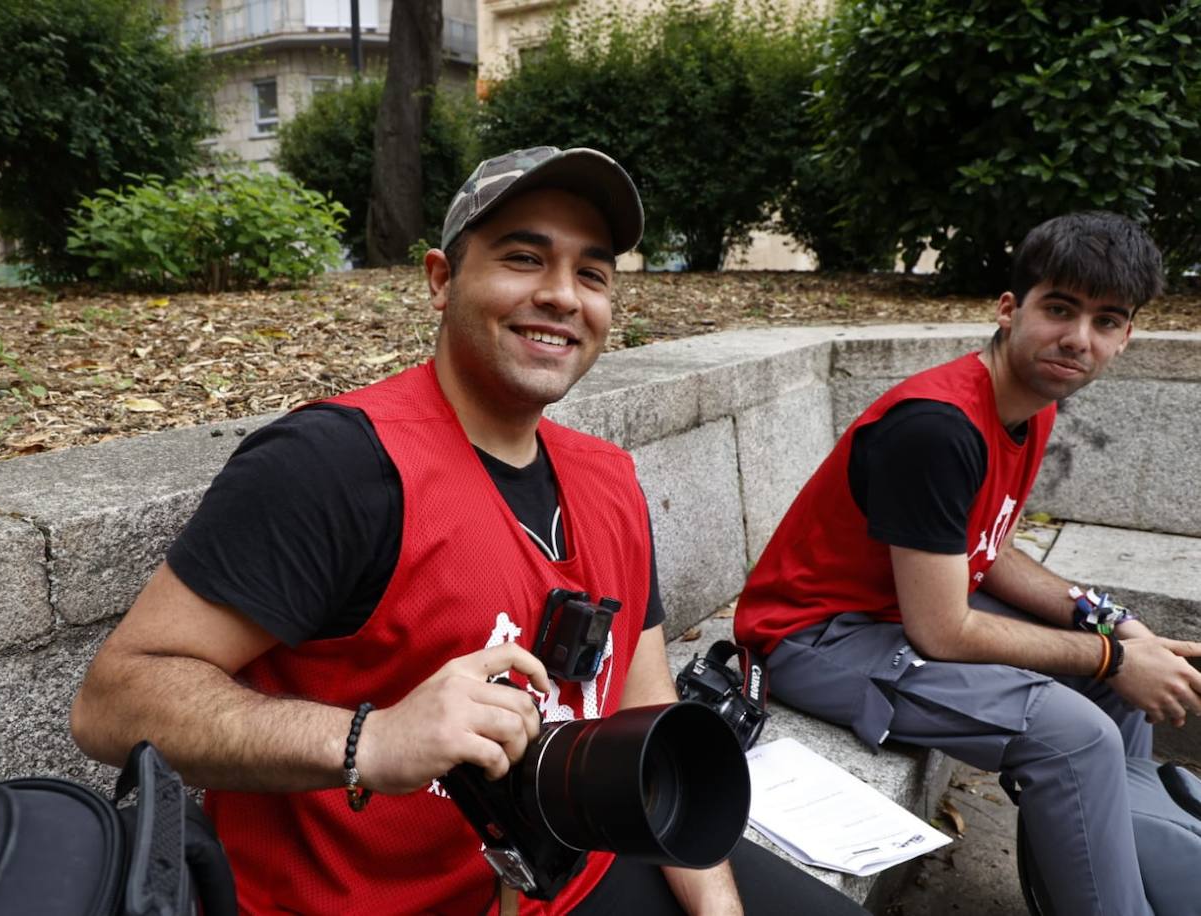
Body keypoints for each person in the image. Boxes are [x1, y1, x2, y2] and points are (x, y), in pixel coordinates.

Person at [71, 146, 865, 916]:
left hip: (574, 874)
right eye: (523, 258)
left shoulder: (609, 479)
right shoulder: (337, 464)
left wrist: (718, 908)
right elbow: (112, 703)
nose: (562, 296)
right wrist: (370, 741)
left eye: (591, 273)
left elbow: (644, 714)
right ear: (442, 281)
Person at [734, 211, 1201, 916]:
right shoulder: (937, 426)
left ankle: (1122, 870)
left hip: (895, 610)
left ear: (1126, 336)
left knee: (1110, 690)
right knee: (1074, 736)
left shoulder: (1031, 405)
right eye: (1060, 309)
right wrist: (1108, 658)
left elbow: (989, 547)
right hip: (811, 637)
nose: (1079, 339)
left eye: (1107, 321)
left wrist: (1114, 624)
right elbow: (943, 631)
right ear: (1010, 310)